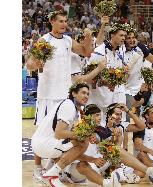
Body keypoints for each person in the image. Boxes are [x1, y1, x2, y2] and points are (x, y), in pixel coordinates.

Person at [26, 10, 93, 182]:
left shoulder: (68, 40)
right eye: (61, 21)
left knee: (62, 134)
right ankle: (37, 169)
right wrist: (36, 63)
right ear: (52, 22)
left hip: (64, 95)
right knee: (42, 132)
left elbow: (86, 52)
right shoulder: (44, 41)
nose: (64, 24)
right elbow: (30, 64)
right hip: (47, 94)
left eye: (65, 21)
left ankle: (53, 169)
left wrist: (88, 36)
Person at [60, 104, 153, 186]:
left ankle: (151, 172)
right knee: (83, 165)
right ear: (85, 118)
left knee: (115, 150)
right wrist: (93, 159)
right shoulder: (77, 130)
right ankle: (111, 182)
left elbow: (111, 146)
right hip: (77, 171)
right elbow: (70, 154)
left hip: (97, 165)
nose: (99, 118)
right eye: (96, 115)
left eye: (99, 115)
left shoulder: (101, 130)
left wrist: (117, 140)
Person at [31, 82, 91, 187]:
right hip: (44, 144)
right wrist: (83, 135)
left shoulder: (69, 105)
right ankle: (51, 174)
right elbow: (59, 133)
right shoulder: (69, 107)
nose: (86, 96)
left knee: (73, 141)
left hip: (39, 143)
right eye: (83, 93)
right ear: (73, 93)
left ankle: (48, 170)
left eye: (87, 94)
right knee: (83, 142)